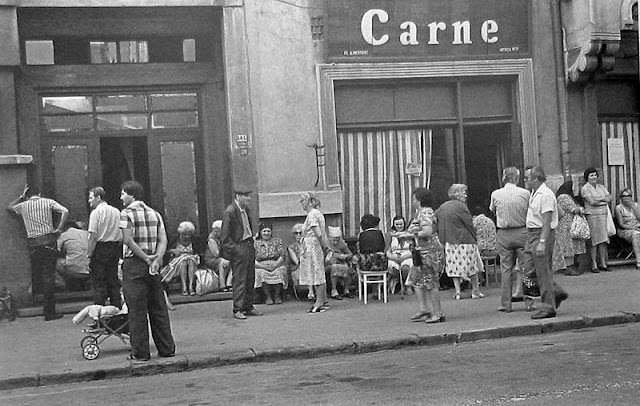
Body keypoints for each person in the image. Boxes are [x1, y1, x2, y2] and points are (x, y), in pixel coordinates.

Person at [119, 180, 175, 360]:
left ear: (131, 194)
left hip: (134, 263)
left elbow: (127, 240)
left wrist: (144, 257)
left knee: (136, 310)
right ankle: (166, 348)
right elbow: (163, 239)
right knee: (158, 307)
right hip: (153, 265)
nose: (121, 197)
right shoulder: (155, 214)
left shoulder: (125, 214)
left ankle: (141, 352)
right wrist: (157, 259)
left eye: (123, 194)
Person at [8, 184, 69, 321]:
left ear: (28, 195)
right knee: (49, 275)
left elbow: (9, 207)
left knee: (37, 274)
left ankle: (37, 300)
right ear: (40, 194)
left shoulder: (23, 206)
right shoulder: (48, 202)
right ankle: (49, 311)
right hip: (48, 241)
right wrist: (59, 228)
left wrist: (21, 197)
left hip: (33, 244)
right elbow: (65, 211)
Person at [521, 166, 569, 319]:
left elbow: (547, 220)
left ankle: (548, 306)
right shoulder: (535, 193)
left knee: (543, 272)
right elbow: (560, 213)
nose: (525, 181)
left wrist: (543, 241)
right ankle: (556, 291)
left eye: (527, 178)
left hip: (540, 233)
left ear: (536, 178)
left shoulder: (546, 194)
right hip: (532, 233)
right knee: (529, 269)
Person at [489, 167, 530, 313]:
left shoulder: (496, 194)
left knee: (506, 269)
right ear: (517, 178)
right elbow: (529, 211)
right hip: (522, 231)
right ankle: (528, 301)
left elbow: (492, 210)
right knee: (526, 268)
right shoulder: (525, 193)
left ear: (504, 177)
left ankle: (506, 304)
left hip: (504, 233)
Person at [435, 184, 484, 301]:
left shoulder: (443, 207)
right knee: (472, 267)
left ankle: (458, 292)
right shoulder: (461, 206)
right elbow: (469, 224)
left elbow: (435, 218)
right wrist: (475, 238)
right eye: (464, 192)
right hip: (465, 240)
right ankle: (475, 290)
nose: (466, 195)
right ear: (457, 194)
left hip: (449, 241)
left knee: (454, 268)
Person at [221, 189, 263, 320]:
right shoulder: (230, 212)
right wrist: (236, 249)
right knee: (240, 279)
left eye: (249, 196)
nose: (248, 199)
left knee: (250, 277)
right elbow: (225, 238)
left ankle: (248, 306)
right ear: (238, 196)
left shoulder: (246, 210)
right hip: (239, 246)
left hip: (248, 245)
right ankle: (238, 308)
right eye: (245, 196)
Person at [406, 187, 445, 324]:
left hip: (429, 253)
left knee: (431, 282)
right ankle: (424, 308)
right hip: (422, 252)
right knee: (416, 279)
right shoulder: (422, 213)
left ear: (419, 200)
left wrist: (412, 234)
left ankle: (438, 313)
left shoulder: (425, 213)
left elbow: (427, 231)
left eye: (413, 198)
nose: (412, 201)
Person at [87, 186, 123, 308]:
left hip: (100, 248)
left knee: (99, 282)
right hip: (114, 247)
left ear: (98, 197)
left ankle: (99, 314)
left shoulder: (95, 213)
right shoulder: (117, 211)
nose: (89, 201)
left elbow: (92, 236)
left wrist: (89, 255)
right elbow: (122, 232)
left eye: (91, 197)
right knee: (113, 280)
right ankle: (117, 310)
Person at [298, 192, 330, 313]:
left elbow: (319, 233)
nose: (301, 204)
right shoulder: (316, 213)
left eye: (302, 201)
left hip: (313, 246)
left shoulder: (312, 215)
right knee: (317, 272)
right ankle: (323, 300)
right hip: (312, 246)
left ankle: (319, 302)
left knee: (317, 273)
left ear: (308, 201)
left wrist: (324, 247)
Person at [581, 167, 612, 272]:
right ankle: (594, 264)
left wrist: (599, 200)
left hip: (603, 215)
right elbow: (591, 201)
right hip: (592, 216)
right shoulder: (585, 188)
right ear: (587, 177)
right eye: (591, 175)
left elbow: (609, 198)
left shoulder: (601, 187)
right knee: (594, 240)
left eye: (595, 175)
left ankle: (603, 263)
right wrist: (603, 200)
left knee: (603, 240)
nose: (594, 177)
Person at [161, 221, 203, 296]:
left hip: (192, 260)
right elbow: (165, 251)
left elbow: (199, 252)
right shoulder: (174, 239)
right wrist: (173, 251)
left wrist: (196, 255)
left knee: (190, 260)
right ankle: (184, 287)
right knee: (184, 261)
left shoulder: (195, 240)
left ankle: (190, 287)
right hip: (176, 261)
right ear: (180, 233)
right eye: (184, 234)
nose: (187, 236)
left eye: (189, 235)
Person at [555, 181, 586, 276]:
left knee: (570, 246)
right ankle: (568, 268)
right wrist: (581, 209)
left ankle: (571, 266)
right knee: (568, 247)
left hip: (567, 225)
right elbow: (575, 209)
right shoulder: (564, 197)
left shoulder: (561, 196)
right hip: (566, 225)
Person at [254, 222, 288, 305]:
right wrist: (263, 267)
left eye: (268, 231)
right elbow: (252, 259)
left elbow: (282, 255)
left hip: (276, 264)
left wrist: (275, 265)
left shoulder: (277, 241)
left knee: (280, 271)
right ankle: (267, 296)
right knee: (260, 273)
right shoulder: (255, 243)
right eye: (264, 231)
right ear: (260, 232)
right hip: (261, 265)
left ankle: (277, 296)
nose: (266, 233)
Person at [56, 220, 91, 292]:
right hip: (90, 269)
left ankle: (62, 287)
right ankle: (87, 283)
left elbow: (56, 251)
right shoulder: (87, 233)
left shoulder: (64, 235)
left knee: (54, 262)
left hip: (73, 271)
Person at [386, 215, 414, 295]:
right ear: (393, 225)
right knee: (393, 267)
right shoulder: (389, 234)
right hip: (394, 256)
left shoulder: (409, 234)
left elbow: (413, 249)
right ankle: (399, 285)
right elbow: (387, 250)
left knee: (406, 267)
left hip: (407, 255)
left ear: (404, 224)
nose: (399, 226)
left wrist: (405, 257)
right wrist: (392, 257)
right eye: (397, 224)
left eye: (401, 224)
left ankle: (407, 286)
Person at [325, 226, 354, 299]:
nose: (335, 242)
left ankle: (346, 290)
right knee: (335, 267)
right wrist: (337, 255)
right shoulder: (326, 244)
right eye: (333, 240)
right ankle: (334, 290)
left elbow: (350, 254)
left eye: (337, 240)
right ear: (330, 238)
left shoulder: (342, 243)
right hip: (328, 263)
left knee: (347, 268)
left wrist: (345, 256)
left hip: (341, 262)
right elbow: (326, 256)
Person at [203, 220, 232, 291]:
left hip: (222, 258)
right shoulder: (211, 239)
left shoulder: (223, 238)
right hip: (211, 259)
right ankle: (222, 285)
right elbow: (216, 254)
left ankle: (229, 283)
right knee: (222, 262)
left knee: (235, 260)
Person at [615, 188, 640, 269]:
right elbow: (621, 224)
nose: (625, 198)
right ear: (621, 198)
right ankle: (638, 261)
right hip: (625, 230)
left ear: (631, 197)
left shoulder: (636, 205)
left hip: (637, 227)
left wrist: (633, 207)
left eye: (628, 196)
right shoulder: (619, 208)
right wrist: (632, 228)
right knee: (635, 234)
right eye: (623, 196)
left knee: (637, 233)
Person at [287, 223, 311, 299]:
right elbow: (296, 261)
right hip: (297, 267)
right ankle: (311, 291)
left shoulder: (309, 245)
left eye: (300, 233)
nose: (298, 235)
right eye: (296, 233)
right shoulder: (291, 247)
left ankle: (312, 292)